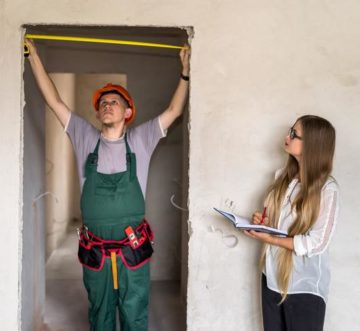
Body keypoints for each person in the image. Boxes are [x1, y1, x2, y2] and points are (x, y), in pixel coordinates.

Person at [25, 38, 190, 331]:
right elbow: (53, 100)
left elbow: (174, 110)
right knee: (99, 315)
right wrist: (34, 56)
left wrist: (185, 72)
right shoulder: (84, 136)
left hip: (133, 248)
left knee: (134, 313)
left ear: (128, 112)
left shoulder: (141, 140)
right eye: (103, 102)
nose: (106, 105)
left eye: (114, 101)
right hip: (95, 250)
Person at [244, 115, 339, 331]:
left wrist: (271, 239)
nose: (288, 136)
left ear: (313, 145)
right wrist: (263, 223)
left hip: (304, 288)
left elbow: (316, 243)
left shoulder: (327, 189)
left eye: (295, 134)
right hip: (271, 279)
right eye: (290, 130)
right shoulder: (283, 179)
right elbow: (279, 227)